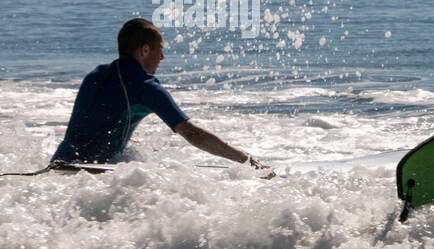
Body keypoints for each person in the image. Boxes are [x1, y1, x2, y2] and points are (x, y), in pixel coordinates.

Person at [51, 18, 271, 172]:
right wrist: (247, 160)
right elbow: (192, 133)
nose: (163, 57)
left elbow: (93, 123)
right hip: (93, 173)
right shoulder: (145, 86)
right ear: (144, 50)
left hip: (60, 165)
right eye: (159, 48)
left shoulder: (96, 74)